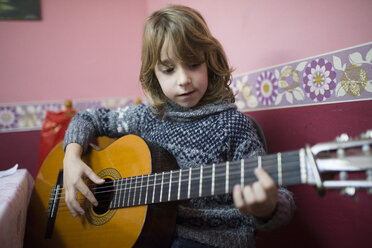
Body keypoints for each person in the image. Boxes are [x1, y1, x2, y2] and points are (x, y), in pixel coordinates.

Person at [63, 5, 294, 248]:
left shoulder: (233, 127)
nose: (183, 79)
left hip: (213, 242)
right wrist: (72, 157)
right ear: (154, 75)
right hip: (150, 236)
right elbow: (87, 118)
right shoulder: (147, 117)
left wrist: (268, 207)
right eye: (169, 69)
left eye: (193, 64)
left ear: (210, 61)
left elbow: (280, 197)